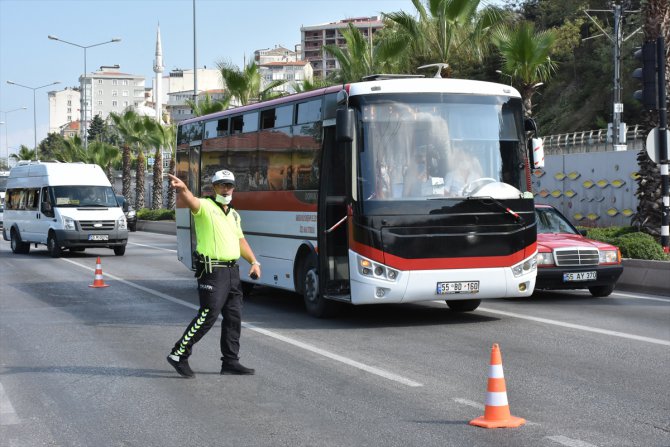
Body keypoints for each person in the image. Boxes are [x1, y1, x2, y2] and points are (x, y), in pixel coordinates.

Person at [166, 169, 261, 378]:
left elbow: (240, 241)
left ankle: (230, 361)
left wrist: (254, 262)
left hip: (232, 272)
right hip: (212, 271)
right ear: (214, 187)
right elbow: (192, 201)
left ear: (233, 188)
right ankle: (178, 354)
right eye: (222, 185)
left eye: (229, 185)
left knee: (233, 317)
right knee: (208, 315)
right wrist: (183, 190)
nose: (226, 189)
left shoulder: (234, 214)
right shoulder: (205, 206)